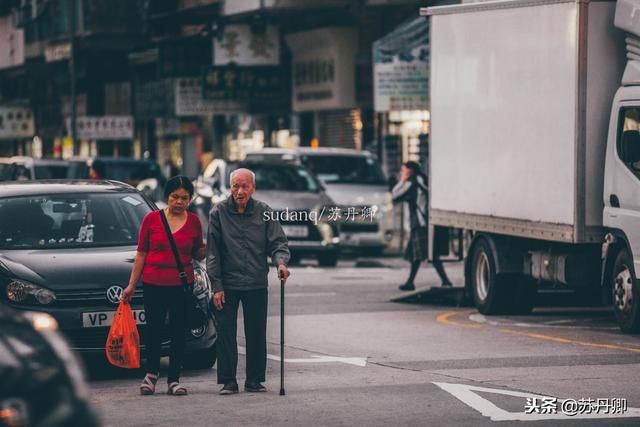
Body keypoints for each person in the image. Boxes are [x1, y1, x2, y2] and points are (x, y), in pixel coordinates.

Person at [207, 168, 290, 395]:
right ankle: (228, 381)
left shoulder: (264, 212)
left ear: (253, 188)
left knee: (256, 332)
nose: (240, 191)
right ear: (230, 187)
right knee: (225, 333)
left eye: (244, 186)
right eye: (235, 186)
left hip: (255, 281)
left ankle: (254, 380)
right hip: (227, 283)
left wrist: (281, 263)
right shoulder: (218, 213)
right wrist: (216, 287)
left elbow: (278, 243)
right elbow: (212, 254)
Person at [121, 176, 205, 396]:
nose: (179, 202)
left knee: (178, 331)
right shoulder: (151, 220)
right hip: (153, 284)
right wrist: (131, 285)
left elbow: (198, 253)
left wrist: (213, 244)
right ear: (167, 196)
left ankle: (174, 379)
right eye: (175, 197)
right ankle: (151, 375)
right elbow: (141, 254)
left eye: (184, 198)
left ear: (190, 199)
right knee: (154, 330)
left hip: (182, 285)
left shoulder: (195, 222)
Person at [392, 161, 452, 291]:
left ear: (411, 171)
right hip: (421, 223)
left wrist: (401, 182)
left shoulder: (413, 183)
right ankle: (411, 282)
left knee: (428, 254)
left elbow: (395, 196)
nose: (401, 173)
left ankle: (445, 280)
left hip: (420, 224)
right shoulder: (421, 180)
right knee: (417, 255)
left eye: (404, 171)